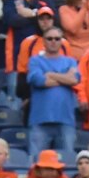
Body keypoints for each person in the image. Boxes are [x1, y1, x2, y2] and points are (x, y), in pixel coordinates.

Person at [27, 23, 80, 162]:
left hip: (65, 120)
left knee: (67, 163)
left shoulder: (70, 61)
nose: (53, 42)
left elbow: (74, 80)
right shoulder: (35, 60)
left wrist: (50, 74)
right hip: (40, 120)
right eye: (49, 38)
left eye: (57, 39)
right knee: (36, 163)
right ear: (43, 41)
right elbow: (39, 81)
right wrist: (64, 77)